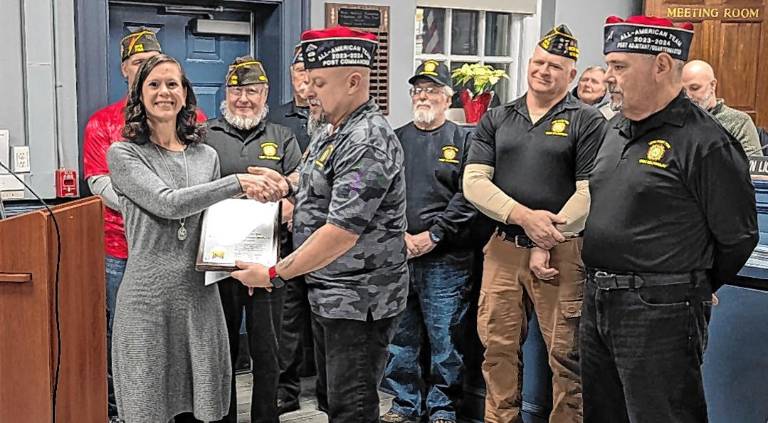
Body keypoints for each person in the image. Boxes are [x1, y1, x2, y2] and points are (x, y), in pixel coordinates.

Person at [581, 16, 758, 423]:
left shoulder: (706, 141)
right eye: (608, 65)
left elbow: (739, 235)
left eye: (620, 66)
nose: (609, 77)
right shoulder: (614, 129)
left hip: (661, 308)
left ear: (661, 65)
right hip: (598, 301)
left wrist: (694, 282)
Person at [230, 26, 408, 423]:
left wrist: (274, 272)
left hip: (359, 298)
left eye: (319, 82)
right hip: (331, 292)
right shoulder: (331, 128)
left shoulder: (366, 140)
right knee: (335, 402)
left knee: (353, 407)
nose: (309, 91)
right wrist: (283, 184)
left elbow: (341, 233)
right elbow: (314, 178)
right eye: (308, 80)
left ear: (354, 81)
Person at [107, 54, 287, 423]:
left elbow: (211, 220)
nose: (164, 92)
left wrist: (246, 255)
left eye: (173, 84)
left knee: (205, 409)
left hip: (200, 300)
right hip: (147, 304)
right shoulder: (123, 154)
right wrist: (238, 182)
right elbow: (166, 203)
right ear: (139, 96)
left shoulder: (206, 156)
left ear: (185, 93)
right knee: (147, 408)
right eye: (153, 84)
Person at [463, 25, 606, 423]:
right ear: (528, 64)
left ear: (571, 75)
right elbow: (473, 182)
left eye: (555, 66)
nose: (544, 71)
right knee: (497, 348)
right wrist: (525, 219)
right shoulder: (497, 117)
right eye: (539, 62)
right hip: (504, 248)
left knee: (567, 356)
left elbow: (589, 192)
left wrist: (547, 236)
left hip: (563, 252)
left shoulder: (589, 121)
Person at [81, 28, 206, 420]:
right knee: (135, 345)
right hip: (124, 250)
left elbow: (199, 184)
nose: (146, 73)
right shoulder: (103, 124)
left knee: (182, 345)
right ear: (125, 71)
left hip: (186, 255)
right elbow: (100, 181)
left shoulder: (195, 121)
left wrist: (169, 200)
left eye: (154, 67)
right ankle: (125, 412)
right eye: (138, 66)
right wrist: (149, 202)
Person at [205, 56, 302, 423]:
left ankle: (266, 417)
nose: (243, 98)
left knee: (267, 348)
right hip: (218, 262)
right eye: (236, 90)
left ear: (265, 95)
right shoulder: (204, 136)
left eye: (252, 91)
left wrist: (289, 204)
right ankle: (222, 417)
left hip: (268, 262)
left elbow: (301, 184)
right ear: (225, 94)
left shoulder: (283, 137)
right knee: (221, 349)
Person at [380, 60, 476, 423]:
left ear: (448, 96)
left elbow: (469, 196)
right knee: (400, 337)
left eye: (433, 90)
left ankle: (442, 407)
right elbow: (381, 192)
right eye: (419, 90)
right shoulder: (395, 137)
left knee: (445, 339)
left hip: (447, 259)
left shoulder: (465, 138)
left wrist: (435, 234)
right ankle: (405, 404)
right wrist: (399, 235)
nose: (424, 96)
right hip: (399, 254)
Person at [266, 46, 318, 415]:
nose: (305, 78)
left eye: (312, 71)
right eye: (299, 69)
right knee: (288, 317)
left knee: (328, 317)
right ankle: (286, 390)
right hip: (286, 234)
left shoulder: (336, 117)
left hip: (328, 231)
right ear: (291, 72)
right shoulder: (278, 120)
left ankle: (330, 391)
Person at [682, 59, 763, 156]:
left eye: (695, 88)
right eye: (683, 91)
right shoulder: (676, 119)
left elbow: (753, 167)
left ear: (712, 85)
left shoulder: (739, 122)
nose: (688, 96)